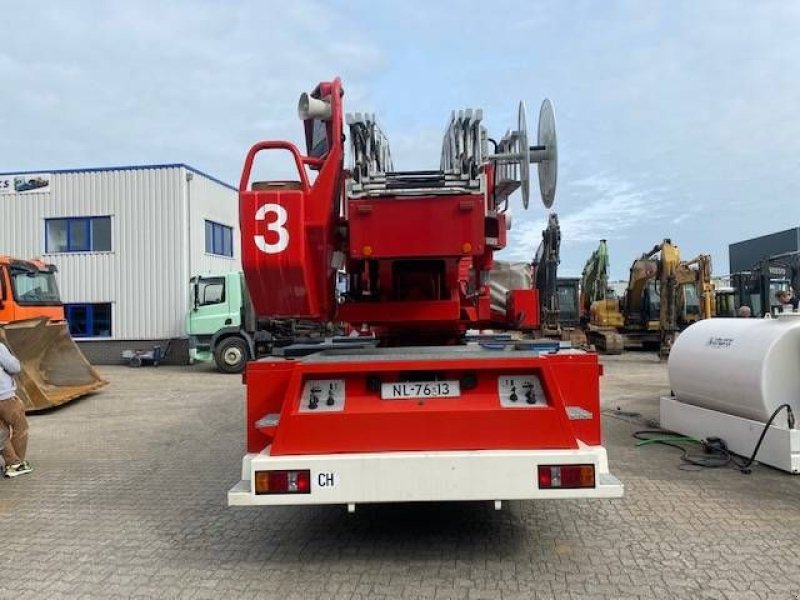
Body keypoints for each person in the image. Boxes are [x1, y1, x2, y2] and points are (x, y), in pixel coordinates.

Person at [0, 342, 32, 477]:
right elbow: (14, 367)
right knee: (21, 428)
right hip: (5, 396)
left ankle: (12, 461)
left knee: (1, 433)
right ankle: (16, 464)